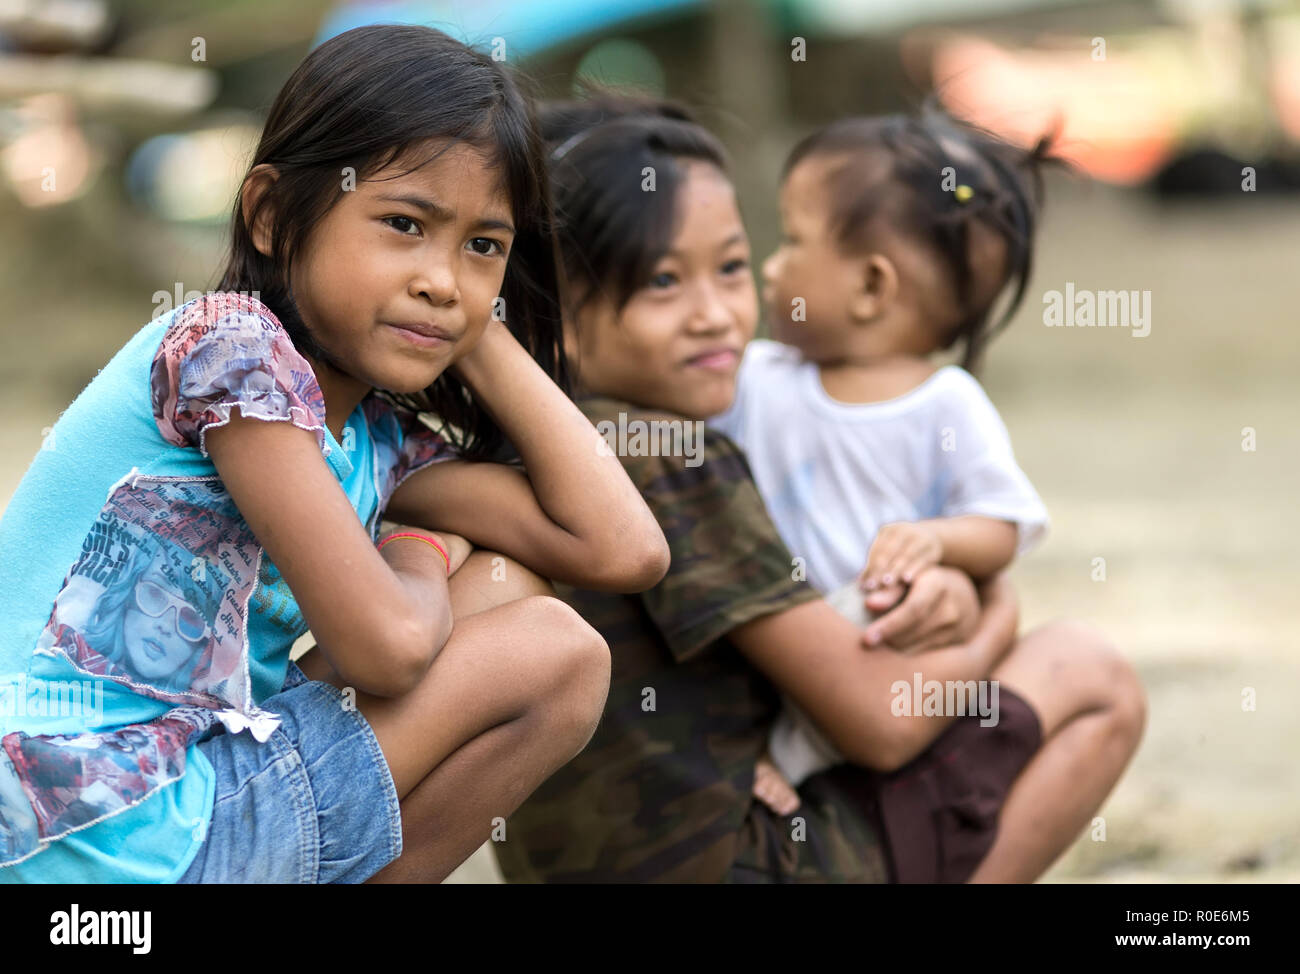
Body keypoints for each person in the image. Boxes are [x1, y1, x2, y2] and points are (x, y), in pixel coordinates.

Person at [0, 26, 668, 883]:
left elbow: (624, 548)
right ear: (273, 215)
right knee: (558, 655)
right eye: (403, 224)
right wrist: (416, 554)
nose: (441, 276)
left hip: (171, 810)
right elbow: (387, 649)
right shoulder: (229, 349)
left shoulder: (378, 438)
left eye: (483, 245)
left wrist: (474, 328)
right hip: (93, 829)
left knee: (509, 586)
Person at [492, 96, 1146, 883]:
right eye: (664, 281)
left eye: (732, 266)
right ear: (555, 306)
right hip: (749, 861)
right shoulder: (666, 456)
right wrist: (996, 613)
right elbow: (879, 724)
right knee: (1089, 672)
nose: (718, 316)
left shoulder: (524, 444)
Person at [710, 110, 1056, 815]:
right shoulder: (760, 378)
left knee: (888, 603)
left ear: (872, 287)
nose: (770, 268)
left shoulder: (945, 403)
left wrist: (938, 540)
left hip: (888, 648)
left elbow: (1005, 525)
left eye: (792, 241)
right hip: (786, 644)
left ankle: (797, 756)